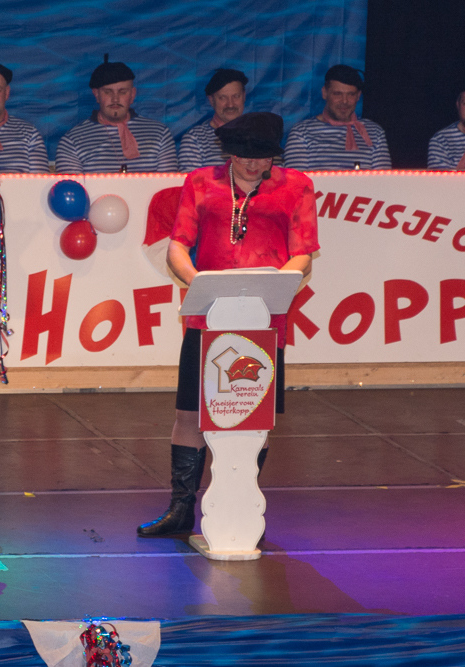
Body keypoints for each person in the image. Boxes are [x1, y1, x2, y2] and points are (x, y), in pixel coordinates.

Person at [138, 112, 319, 538]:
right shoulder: (201, 182)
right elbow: (178, 245)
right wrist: (197, 281)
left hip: (264, 318)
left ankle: (240, 502)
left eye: (263, 157)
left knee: (253, 414)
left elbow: (304, 251)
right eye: (245, 156)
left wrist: (277, 284)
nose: (254, 165)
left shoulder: (297, 186)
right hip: (208, 315)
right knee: (189, 412)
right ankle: (181, 508)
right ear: (230, 154)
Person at [55, 54, 177, 173]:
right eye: (108, 92)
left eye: (122, 92)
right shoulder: (72, 142)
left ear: (132, 95)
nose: (115, 99)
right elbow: (72, 187)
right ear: (96, 94)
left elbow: (169, 186)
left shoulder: (160, 134)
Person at [284, 65, 390, 171]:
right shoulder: (301, 133)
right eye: (337, 94)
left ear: (358, 96)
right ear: (325, 93)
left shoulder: (375, 132)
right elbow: (296, 180)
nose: (344, 101)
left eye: (351, 94)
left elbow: (383, 179)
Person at [177, 68, 248, 172]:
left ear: (244, 96)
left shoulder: (261, 134)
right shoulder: (195, 139)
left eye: (236, 96)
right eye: (222, 98)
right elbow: (191, 181)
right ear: (211, 100)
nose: (230, 104)